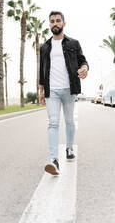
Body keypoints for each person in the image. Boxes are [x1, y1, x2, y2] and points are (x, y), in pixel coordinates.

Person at [39, 11, 89, 175]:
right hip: (51, 89)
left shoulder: (74, 43)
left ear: (64, 23)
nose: (55, 23)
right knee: (53, 123)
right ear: (49, 24)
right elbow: (42, 70)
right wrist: (41, 90)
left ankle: (69, 148)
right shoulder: (45, 47)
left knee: (69, 121)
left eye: (58, 21)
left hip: (69, 88)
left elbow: (83, 60)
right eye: (52, 21)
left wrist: (84, 68)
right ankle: (53, 160)